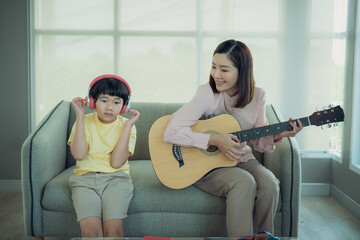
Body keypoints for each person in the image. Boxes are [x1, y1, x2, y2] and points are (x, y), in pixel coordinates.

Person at [163, 39, 303, 237]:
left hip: (240, 158)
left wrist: (281, 134)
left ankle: (263, 237)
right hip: (205, 165)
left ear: (242, 71)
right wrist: (214, 140)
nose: (216, 75)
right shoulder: (207, 93)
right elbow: (171, 131)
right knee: (244, 182)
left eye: (224, 69)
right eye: (213, 67)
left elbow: (259, 141)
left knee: (270, 183)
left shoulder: (258, 96)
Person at [67, 74, 140, 237]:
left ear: (124, 106)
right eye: (104, 100)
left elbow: (116, 163)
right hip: (84, 181)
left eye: (116, 102)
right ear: (92, 102)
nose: (109, 107)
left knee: (114, 232)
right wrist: (79, 116)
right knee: (91, 233)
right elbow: (79, 154)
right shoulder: (83, 121)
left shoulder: (127, 126)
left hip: (116, 179)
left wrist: (127, 127)